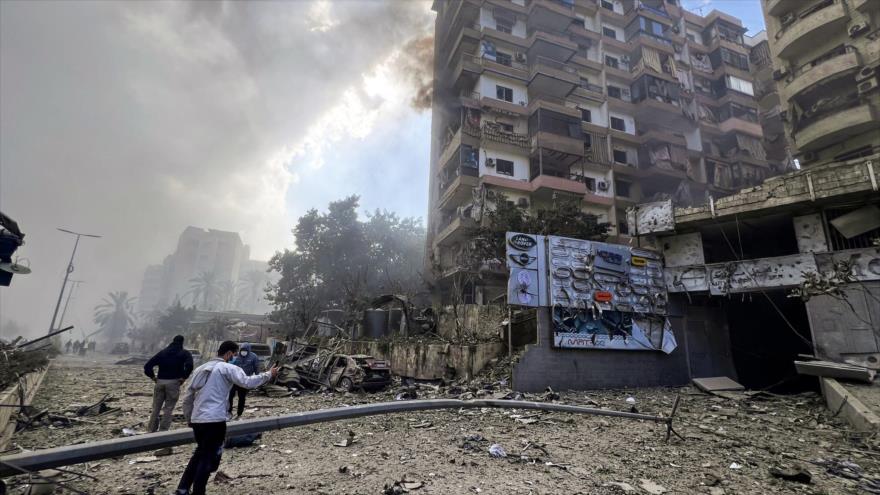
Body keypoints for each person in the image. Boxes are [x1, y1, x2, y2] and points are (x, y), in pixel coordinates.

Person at [176, 341, 277, 495]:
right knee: (208, 457)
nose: (236, 358)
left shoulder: (200, 369)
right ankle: (198, 491)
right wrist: (269, 374)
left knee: (200, 453)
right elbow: (247, 382)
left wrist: (189, 417)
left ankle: (183, 488)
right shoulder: (227, 368)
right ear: (229, 354)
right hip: (215, 420)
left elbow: (188, 396)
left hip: (198, 420)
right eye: (235, 355)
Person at [143, 335, 193, 432]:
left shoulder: (163, 352)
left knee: (156, 408)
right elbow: (190, 365)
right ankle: (163, 431)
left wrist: (153, 377)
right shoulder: (184, 353)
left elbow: (147, 366)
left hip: (160, 382)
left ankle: (151, 430)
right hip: (174, 382)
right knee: (168, 409)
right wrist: (184, 377)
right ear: (182, 342)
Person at [227, 343, 260, 419]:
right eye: (242, 350)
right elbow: (230, 366)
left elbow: (256, 368)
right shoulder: (236, 356)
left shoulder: (253, 357)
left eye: (245, 350)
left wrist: (257, 379)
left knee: (241, 397)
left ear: (248, 350)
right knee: (230, 396)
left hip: (245, 381)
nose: (243, 352)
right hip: (234, 380)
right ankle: (229, 411)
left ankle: (239, 413)